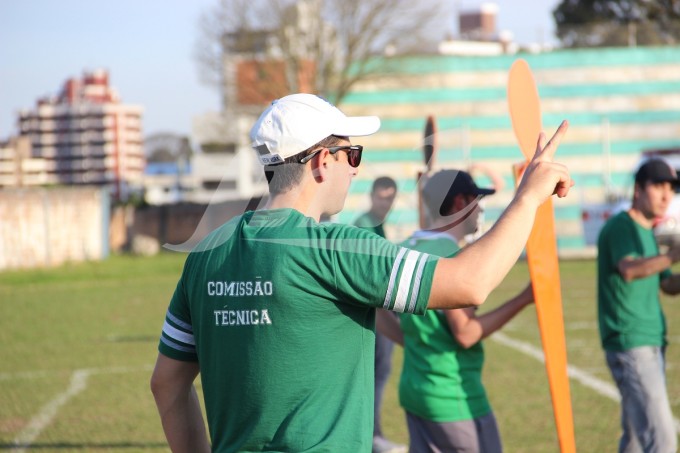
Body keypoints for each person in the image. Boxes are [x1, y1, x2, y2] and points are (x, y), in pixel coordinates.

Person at [150, 93, 572, 452]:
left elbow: (167, 384)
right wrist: (528, 198)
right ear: (320, 162)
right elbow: (469, 283)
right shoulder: (336, 248)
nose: (355, 168)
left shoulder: (205, 256)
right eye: (352, 154)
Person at [378, 169, 535, 453]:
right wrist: (524, 298)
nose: (480, 210)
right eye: (477, 201)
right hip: (453, 398)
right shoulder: (450, 255)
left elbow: (376, 310)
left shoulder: (406, 246)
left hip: (416, 390)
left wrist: (413, 342)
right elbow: (465, 332)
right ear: (461, 202)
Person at [597, 158, 680, 453]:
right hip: (631, 341)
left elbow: (667, 284)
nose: (666, 195)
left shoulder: (648, 233)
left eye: (671, 187)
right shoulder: (622, 226)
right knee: (663, 440)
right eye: (658, 186)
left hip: (651, 340)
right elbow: (630, 269)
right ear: (637, 189)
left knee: (634, 439)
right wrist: (673, 255)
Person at [353, 176, 405, 453]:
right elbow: (373, 276)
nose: (385, 203)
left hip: (379, 312)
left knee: (377, 374)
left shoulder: (377, 224)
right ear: (372, 195)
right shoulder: (365, 225)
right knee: (375, 375)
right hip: (375, 314)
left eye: (390, 197)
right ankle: (373, 437)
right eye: (382, 196)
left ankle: (374, 435)